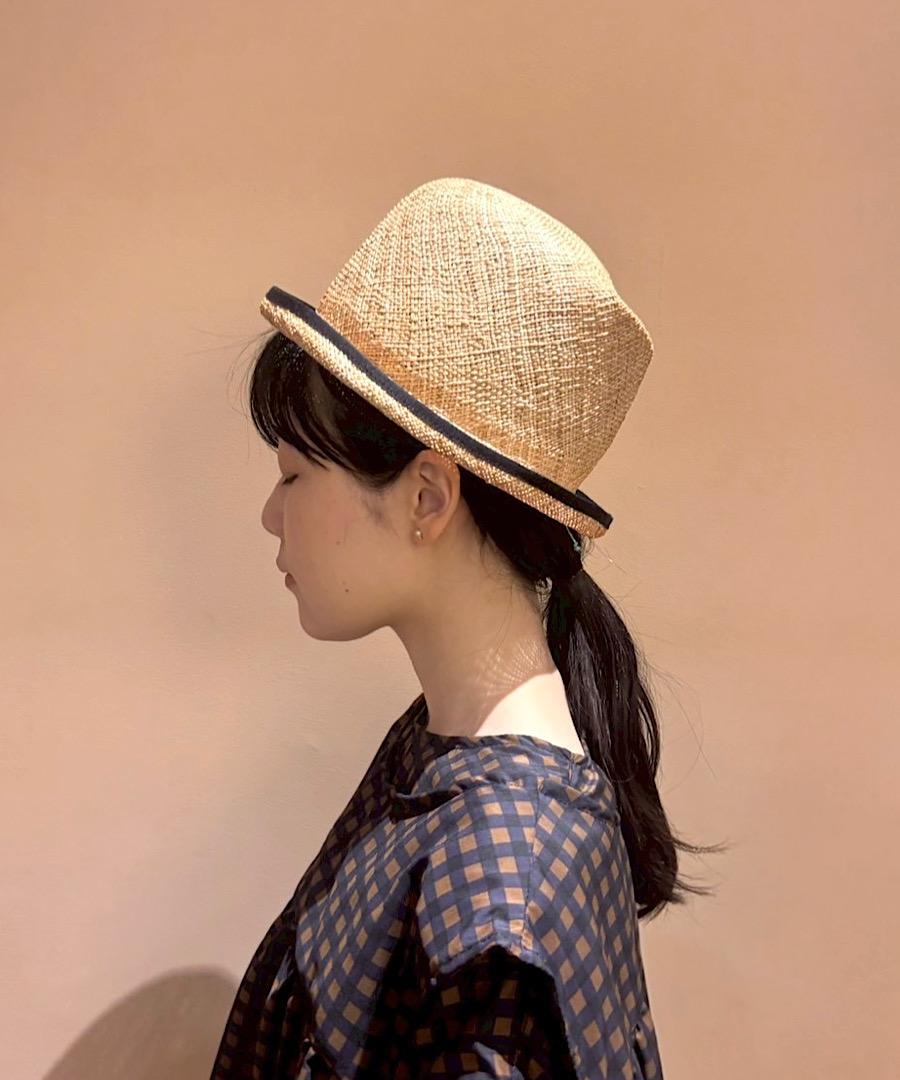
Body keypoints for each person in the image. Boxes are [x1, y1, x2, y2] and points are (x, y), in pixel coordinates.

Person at [211, 177, 723, 1078]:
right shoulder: (444, 749)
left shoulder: (505, 867)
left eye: (293, 477)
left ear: (426, 496)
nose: (269, 515)